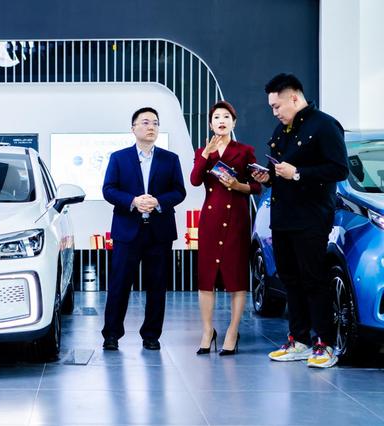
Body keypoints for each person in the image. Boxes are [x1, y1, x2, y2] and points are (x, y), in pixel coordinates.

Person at [252, 73, 348, 368]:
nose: (274, 112)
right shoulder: (281, 130)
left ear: (294, 97)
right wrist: (267, 177)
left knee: (313, 280)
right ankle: (299, 340)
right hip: (282, 217)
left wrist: (297, 173)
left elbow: (339, 169)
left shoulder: (325, 125)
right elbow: (278, 172)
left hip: (311, 218)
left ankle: (325, 344)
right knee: (290, 281)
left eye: (277, 106)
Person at [101, 107, 186, 351]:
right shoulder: (119, 158)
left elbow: (179, 191)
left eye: (155, 123)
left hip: (159, 232)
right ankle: (111, 334)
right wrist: (133, 201)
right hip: (127, 230)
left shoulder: (170, 159)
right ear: (134, 128)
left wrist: (158, 201)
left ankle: (151, 335)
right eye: (146, 122)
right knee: (119, 284)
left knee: (157, 286)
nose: (151, 127)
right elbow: (109, 189)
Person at [190, 101, 261, 356]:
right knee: (206, 279)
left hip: (236, 220)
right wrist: (205, 155)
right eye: (217, 117)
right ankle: (207, 330)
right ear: (210, 124)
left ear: (234, 122)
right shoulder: (203, 151)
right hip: (210, 220)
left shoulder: (245, 151)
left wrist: (237, 185)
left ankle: (232, 330)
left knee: (236, 278)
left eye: (226, 117)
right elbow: (195, 180)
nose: (221, 121)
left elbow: (257, 186)